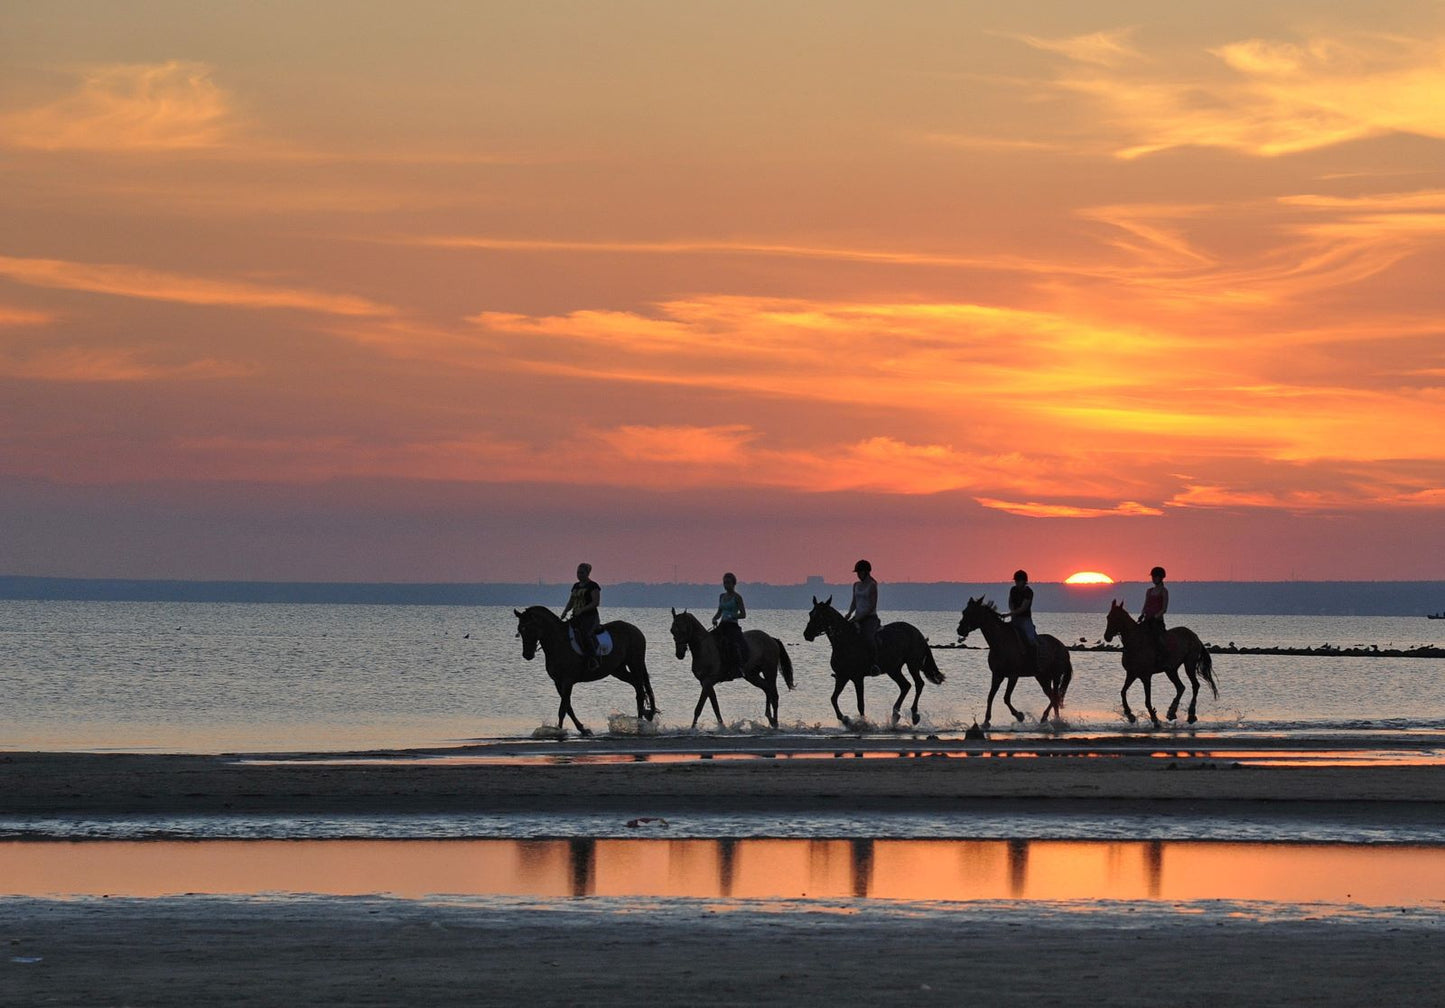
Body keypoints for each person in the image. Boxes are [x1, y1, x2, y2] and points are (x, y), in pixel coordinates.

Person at [560, 562, 602, 670]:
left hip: (590, 617)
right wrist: (565, 611)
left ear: (587, 573)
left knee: (585, 635)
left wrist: (582, 610)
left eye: (582, 573)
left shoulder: (593, 586)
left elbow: (595, 602)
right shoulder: (575, 586)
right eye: (578, 572)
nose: (579, 575)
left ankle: (593, 659)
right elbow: (571, 601)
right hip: (576, 616)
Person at [843, 559, 881, 673]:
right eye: (857, 573)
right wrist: (849, 613)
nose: (858, 575)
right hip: (857, 617)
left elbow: (872, 606)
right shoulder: (856, 585)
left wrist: (860, 617)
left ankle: (874, 664)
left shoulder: (872, 585)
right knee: (845, 635)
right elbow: (854, 602)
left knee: (868, 638)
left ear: (866, 572)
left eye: (860, 572)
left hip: (870, 618)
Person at [710, 572, 748, 675]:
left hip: (732, 625)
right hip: (723, 624)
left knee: (733, 644)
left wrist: (732, 615)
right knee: (710, 639)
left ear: (733, 584)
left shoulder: (737, 597)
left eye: (728, 583)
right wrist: (714, 618)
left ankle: (738, 667)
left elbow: (743, 614)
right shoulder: (721, 596)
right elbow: (719, 612)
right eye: (724, 583)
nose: (726, 585)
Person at [1006, 569, 1039, 668]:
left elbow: (1024, 607)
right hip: (1014, 618)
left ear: (1024, 581)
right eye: (1015, 581)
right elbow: (1010, 602)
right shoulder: (1013, 590)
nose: (1016, 583)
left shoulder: (1029, 592)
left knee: (1031, 639)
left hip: (1025, 619)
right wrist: (1012, 612)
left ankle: (1035, 661)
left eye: (1018, 581)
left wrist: (1011, 613)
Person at [1141, 565, 1170, 671]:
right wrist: (1142, 614)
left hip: (1157, 622)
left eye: (1155, 577)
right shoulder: (1149, 591)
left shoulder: (1164, 591)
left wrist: (1155, 616)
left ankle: (1164, 660)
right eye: (1152, 577)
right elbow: (1145, 605)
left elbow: (1164, 609)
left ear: (1161, 577)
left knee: (1159, 640)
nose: (1153, 579)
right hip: (1146, 620)